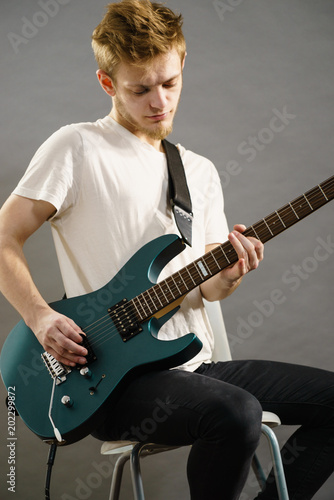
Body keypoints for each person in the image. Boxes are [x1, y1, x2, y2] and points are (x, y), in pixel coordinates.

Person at [0, 1, 333, 499]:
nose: (160, 102)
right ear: (107, 83)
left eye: (170, 83)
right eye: (140, 89)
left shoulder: (198, 172)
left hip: (196, 366)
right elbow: (3, 238)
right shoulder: (77, 147)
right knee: (237, 412)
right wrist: (41, 318)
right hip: (111, 380)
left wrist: (232, 271)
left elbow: (212, 289)